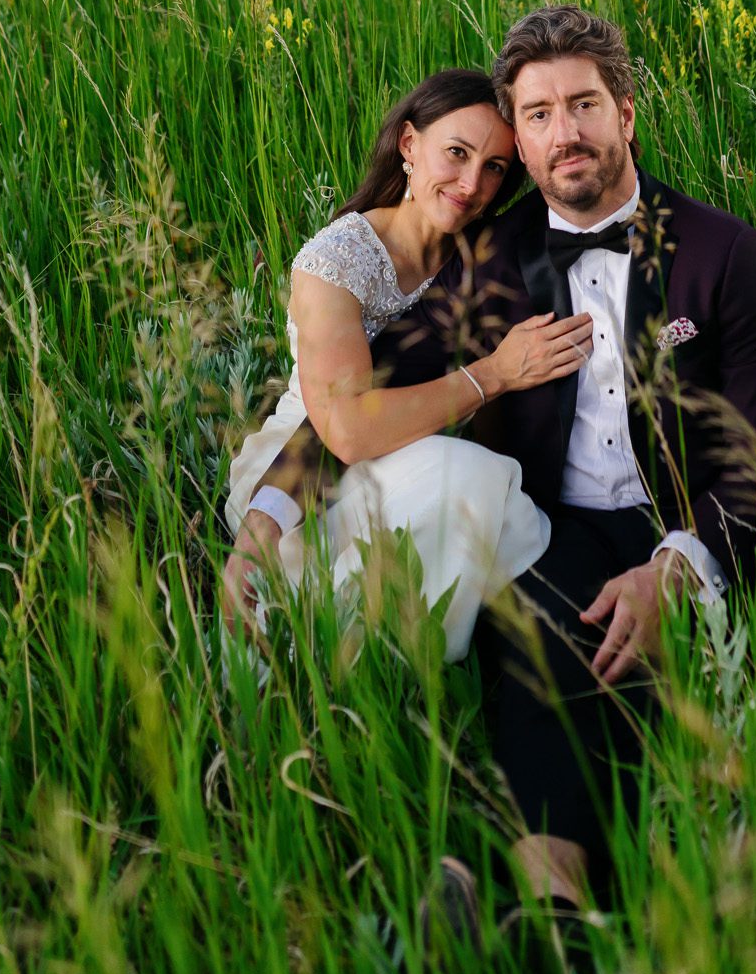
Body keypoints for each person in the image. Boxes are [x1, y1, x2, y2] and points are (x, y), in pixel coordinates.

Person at [411, 5, 756, 937]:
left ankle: (510, 877)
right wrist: (272, 503)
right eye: (539, 114)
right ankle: (551, 911)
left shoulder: (723, 254)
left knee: (627, 630)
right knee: (554, 622)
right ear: (519, 133)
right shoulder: (490, 256)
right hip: (553, 522)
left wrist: (680, 565)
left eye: (584, 104)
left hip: (690, 517)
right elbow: (376, 382)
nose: (566, 132)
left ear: (626, 112)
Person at [220, 67, 593, 665]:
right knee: (476, 482)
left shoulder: (480, 252)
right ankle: (347, 666)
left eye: (495, 166)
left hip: (417, 456)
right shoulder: (337, 261)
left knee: (515, 516)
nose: (472, 182)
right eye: (456, 152)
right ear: (409, 145)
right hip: (307, 476)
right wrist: (495, 374)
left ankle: (535, 664)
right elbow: (347, 430)